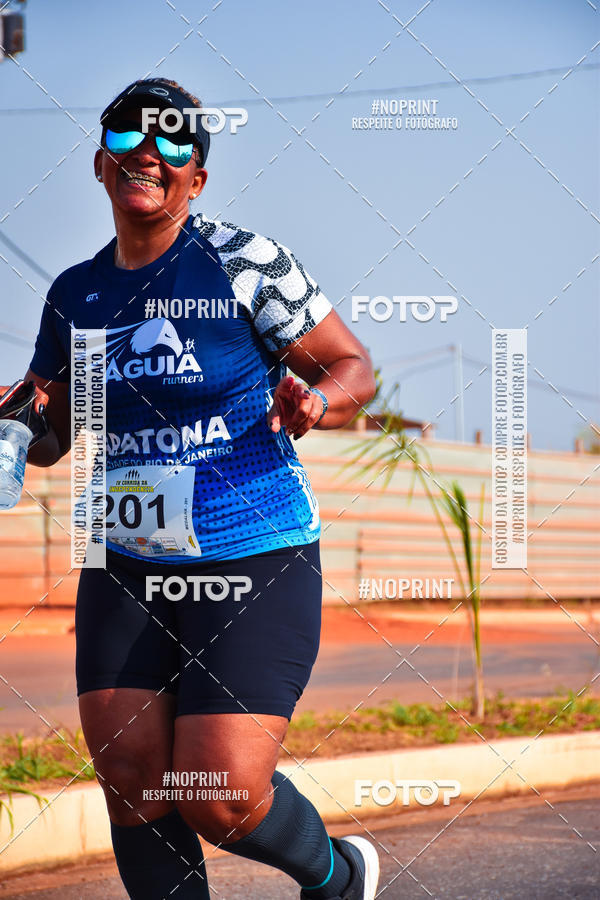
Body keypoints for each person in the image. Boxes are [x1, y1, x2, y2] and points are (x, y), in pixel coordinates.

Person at [16, 77, 378, 899]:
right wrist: (13, 419)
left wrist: (316, 399)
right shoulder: (75, 295)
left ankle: (337, 874)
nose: (150, 150)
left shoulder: (244, 262)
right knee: (135, 783)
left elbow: (353, 364)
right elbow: (49, 437)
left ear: (197, 179)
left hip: (253, 554)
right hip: (126, 564)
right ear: (100, 166)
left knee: (219, 795)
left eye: (175, 142)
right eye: (127, 136)